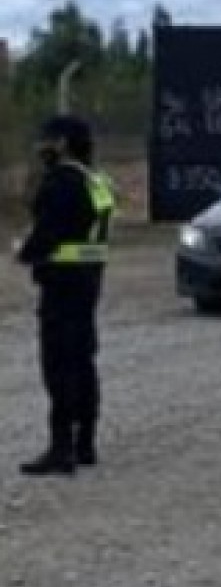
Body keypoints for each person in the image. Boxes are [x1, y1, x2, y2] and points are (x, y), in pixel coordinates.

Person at [14, 115, 115, 477]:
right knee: (84, 362)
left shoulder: (61, 183)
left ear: (63, 143)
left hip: (62, 285)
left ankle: (61, 449)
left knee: (58, 367)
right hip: (89, 282)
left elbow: (48, 232)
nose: (43, 148)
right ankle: (85, 442)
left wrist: (24, 253)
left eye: (48, 141)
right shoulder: (96, 181)